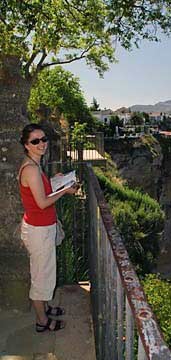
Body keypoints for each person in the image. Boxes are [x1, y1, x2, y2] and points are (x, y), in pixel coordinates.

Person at [18, 123, 78, 332]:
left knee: (44, 272)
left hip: (39, 227)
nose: (41, 144)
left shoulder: (33, 165)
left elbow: (38, 193)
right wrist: (65, 191)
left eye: (44, 139)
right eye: (35, 141)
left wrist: (56, 181)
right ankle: (42, 321)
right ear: (26, 145)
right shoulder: (32, 170)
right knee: (41, 276)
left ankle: (44, 307)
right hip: (39, 230)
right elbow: (43, 202)